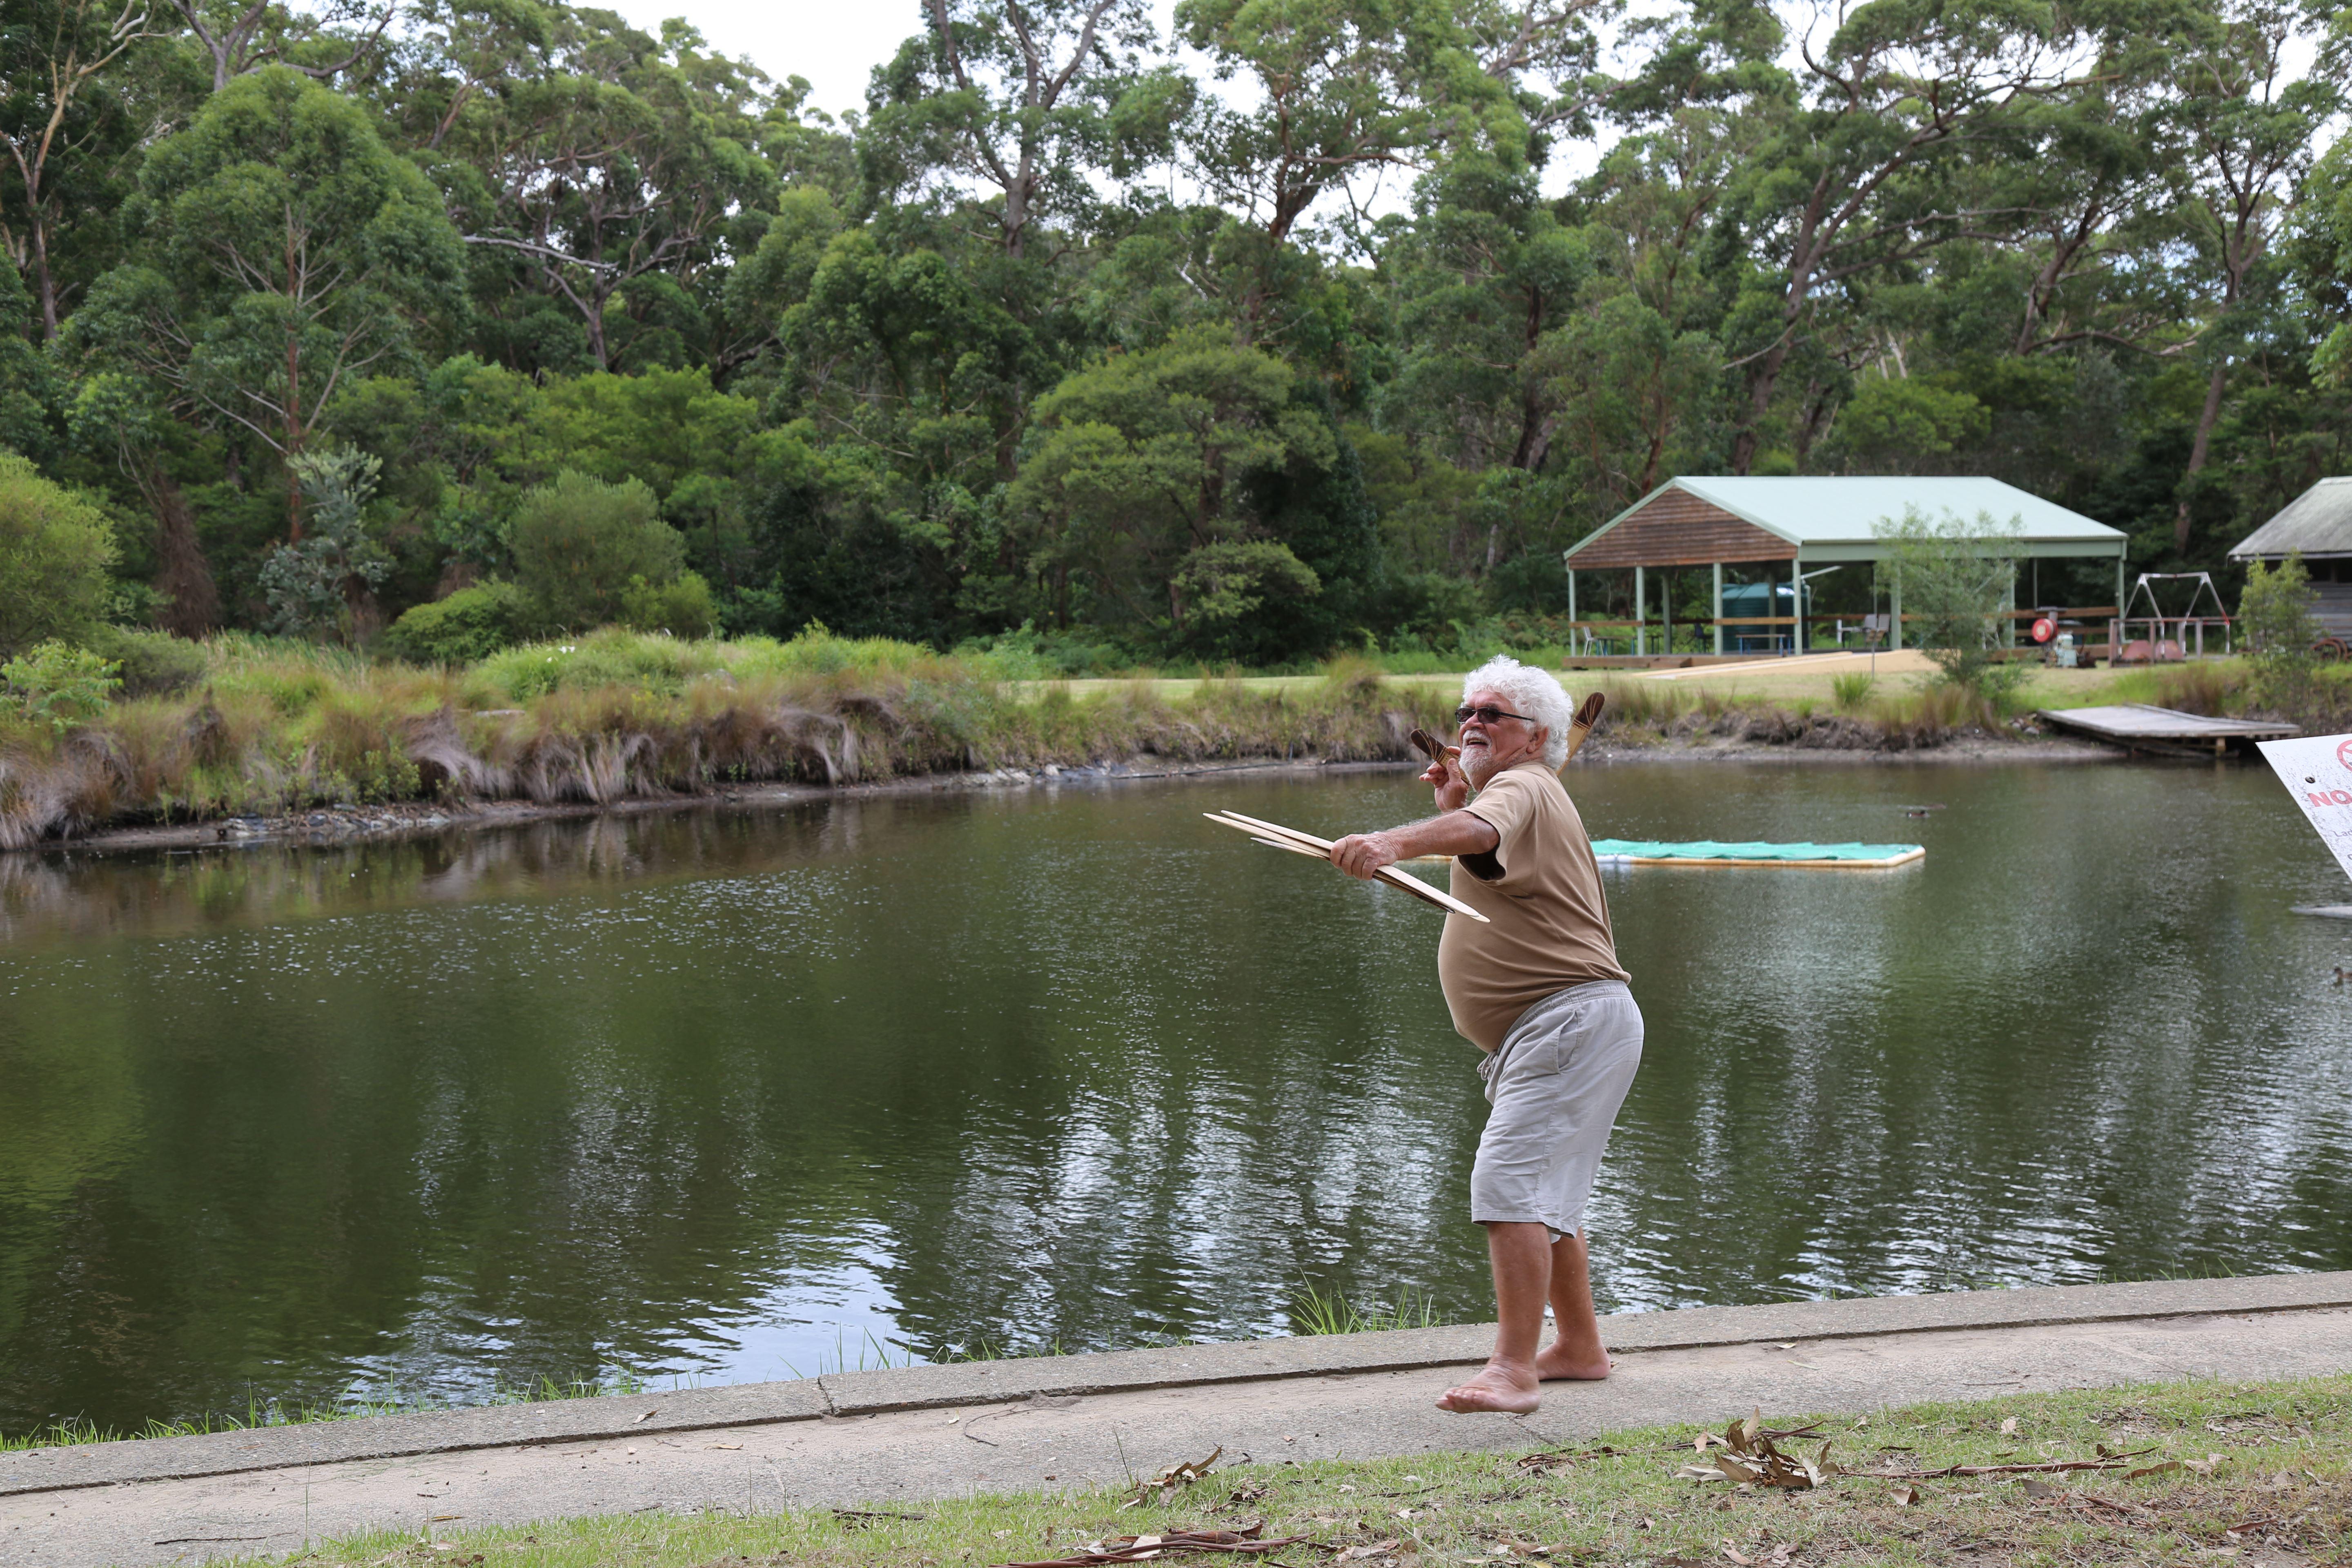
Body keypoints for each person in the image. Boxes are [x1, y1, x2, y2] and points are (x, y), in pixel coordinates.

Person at [1328, 656, 1641, 1414]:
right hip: (1564, 1026)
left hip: (1566, 1022)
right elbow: (1483, 838)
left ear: (1534, 738)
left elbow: (1479, 827)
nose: (1471, 722)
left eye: (1492, 715)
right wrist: (1463, 795)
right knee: (1549, 1198)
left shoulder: (1525, 785)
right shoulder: (1523, 789)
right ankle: (1578, 1348)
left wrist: (1393, 842)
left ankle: (1513, 1369)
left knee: (1509, 1187)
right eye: (1466, 710)